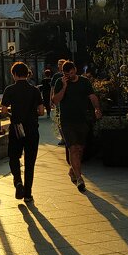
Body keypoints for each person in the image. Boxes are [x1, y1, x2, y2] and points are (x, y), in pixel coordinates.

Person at [51, 61, 102, 193]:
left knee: (79, 149)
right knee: (73, 148)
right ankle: (80, 179)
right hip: (66, 121)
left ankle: (73, 170)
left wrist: (97, 109)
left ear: (75, 70)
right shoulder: (60, 82)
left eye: (72, 73)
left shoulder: (84, 82)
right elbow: (55, 100)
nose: (69, 75)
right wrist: (64, 86)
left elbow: (92, 96)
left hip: (82, 120)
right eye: (66, 73)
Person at [0, 62, 45, 203]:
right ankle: (28, 194)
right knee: (30, 161)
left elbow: (3, 110)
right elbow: (41, 111)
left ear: (13, 75)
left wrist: (13, 115)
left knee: (13, 157)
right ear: (27, 74)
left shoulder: (10, 90)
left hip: (16, 128)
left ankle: (18, 182)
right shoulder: (35, 90)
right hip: (32, 128)